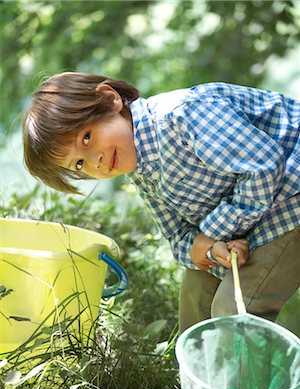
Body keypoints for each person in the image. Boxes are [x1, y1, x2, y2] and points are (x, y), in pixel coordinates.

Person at [23, 72, 300, 333]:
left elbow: (264, 166)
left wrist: (213, 232)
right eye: (80, 164)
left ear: (110, 100)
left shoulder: (181, 115)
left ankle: (245, 383)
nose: (96, 160)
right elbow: (178, 236)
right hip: (256, 214)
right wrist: (214, 247)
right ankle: (200, 382)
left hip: (291, 195)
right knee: (195, 297)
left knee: (234, 309)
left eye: (87, 138)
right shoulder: (139, 169)